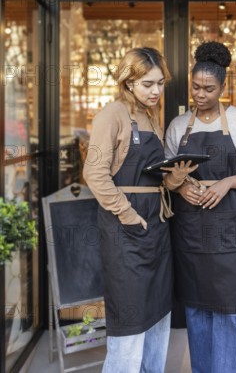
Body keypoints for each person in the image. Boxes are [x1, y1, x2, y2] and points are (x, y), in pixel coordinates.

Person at [163, 41, 236, 373]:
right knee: (197, 311)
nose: (200, 94)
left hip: (232, 234)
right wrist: (181, 187)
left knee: (234, 312)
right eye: (195, 87)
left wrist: (228, 182)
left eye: (208, 89)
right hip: (192, 233)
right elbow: (167, 172)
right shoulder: (179, 126)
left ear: (223, 88)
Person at [83, 47, 174, 373]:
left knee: (159, 316)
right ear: (128, 82)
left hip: (158, 228)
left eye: (160, 84)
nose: (156, 91)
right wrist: (127, 213)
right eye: (148, 84)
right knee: (130, 320)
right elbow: (94, 173)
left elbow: (154, 173)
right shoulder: (112, 114)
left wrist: (174, 177)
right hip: (126, 230)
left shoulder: (152, 118)